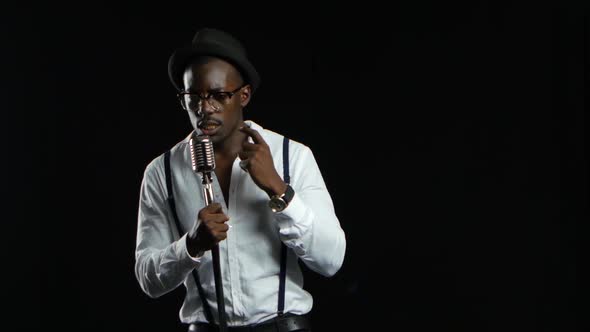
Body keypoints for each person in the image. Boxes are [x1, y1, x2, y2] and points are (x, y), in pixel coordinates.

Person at [134, 27, 346, 332]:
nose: (205, 109)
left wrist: (279, 189)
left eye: (219, 96)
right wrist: (190, 246)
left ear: (243, 95)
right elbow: (147, 279)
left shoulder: (291, 156)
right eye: (194, 96)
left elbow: (331, 260)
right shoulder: (162, 172)